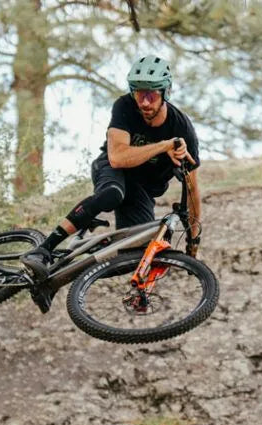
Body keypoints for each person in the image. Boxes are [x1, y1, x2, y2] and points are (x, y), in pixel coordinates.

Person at [20, 55, 203, 288]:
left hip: (142, 191)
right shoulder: (125, 106)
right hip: (112, 170)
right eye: (139, 93)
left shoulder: (183, 129)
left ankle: (56, 280)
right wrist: (164, 145)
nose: (144, 102)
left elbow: (193, 190)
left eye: (151, 95)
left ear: (165, 92)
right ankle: (42, 249)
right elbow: (117, 158)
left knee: (132, 258)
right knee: (112, 194)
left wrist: (193, 241)